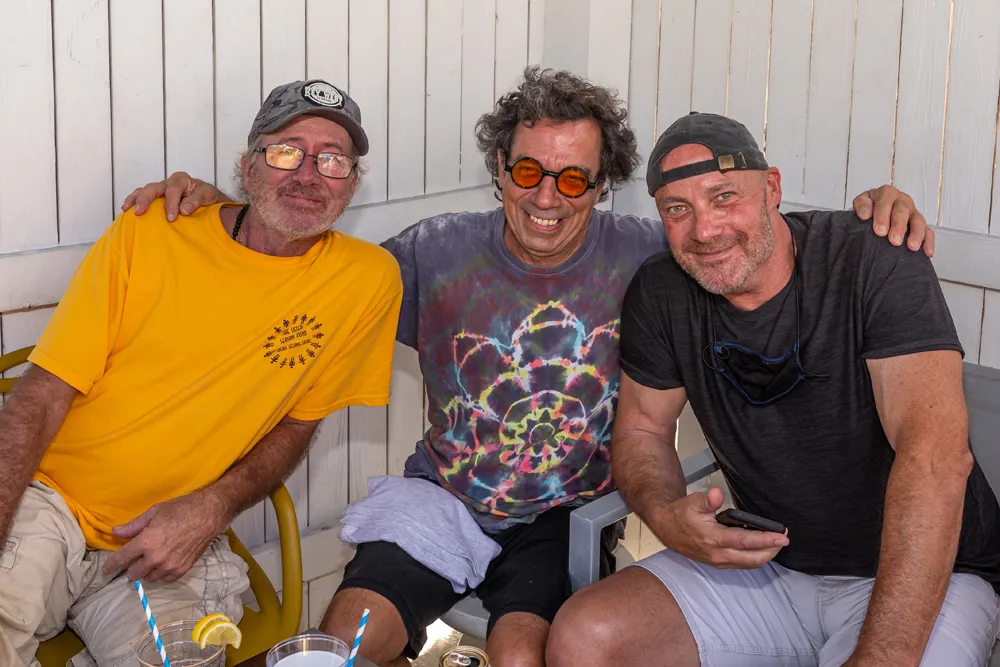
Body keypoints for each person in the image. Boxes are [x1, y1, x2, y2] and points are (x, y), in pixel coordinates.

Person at [121, 67, 934, 667]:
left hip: (563, 516)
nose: (548, 196)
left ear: (602, 185)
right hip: (439, 502)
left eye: (574, 176)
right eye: (528, 171)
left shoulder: (651, 258)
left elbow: (747, 235)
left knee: (520, 655)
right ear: (501, 171)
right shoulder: (433, 253)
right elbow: (304, 268)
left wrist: (874, 212)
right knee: (348, 640)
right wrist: (223, 208)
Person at [545, 112, 1000, 667]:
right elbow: (642, 429)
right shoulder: (662, 291)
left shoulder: (872, 256)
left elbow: (934, 456)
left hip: (928, 574)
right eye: (678, 210)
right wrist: (665, 515)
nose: (704, 230)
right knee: (583, 638)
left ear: (772, 188)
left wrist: (882, 655)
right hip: (771, 564)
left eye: (724, 197)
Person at [0, 79, 402, 667]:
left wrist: (211, 508)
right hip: (49, 505)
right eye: (286, 151)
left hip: (173, 537)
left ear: (353, 183)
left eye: (333, 159)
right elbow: (43, 392)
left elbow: (297, 425)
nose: (308, 174)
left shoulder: (367, 279)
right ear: (248, 165)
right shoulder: (151, 229)